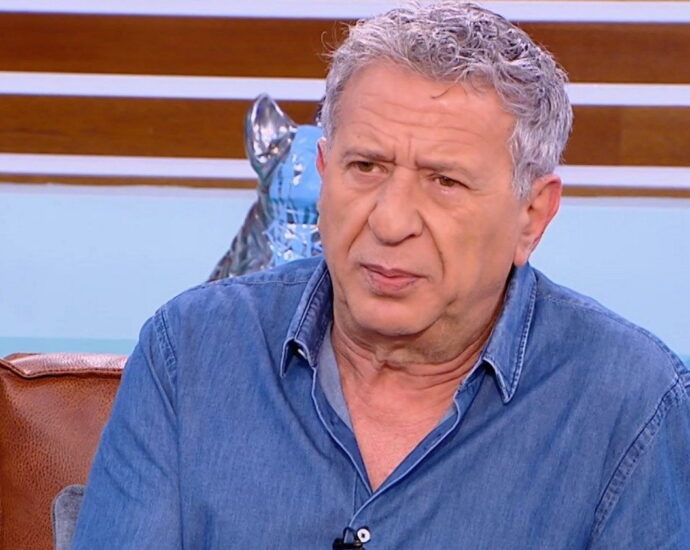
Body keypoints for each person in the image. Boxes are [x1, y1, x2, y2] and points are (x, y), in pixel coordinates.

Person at [70, 2, 690, 549]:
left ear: (533, 215)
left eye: (444, 181)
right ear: (323, 173)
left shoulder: (631, 402)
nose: (390, 222)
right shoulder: (190, 352)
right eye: (365, 167)